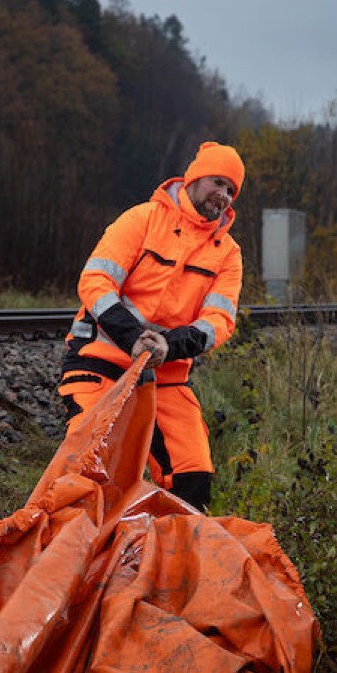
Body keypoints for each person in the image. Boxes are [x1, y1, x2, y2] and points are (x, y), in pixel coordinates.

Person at [58, 140, 245, 511]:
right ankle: (81, 557)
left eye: (231, 190)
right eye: (217, 182)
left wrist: (168, 347)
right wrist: (133, 338)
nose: (223, 195)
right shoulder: (141, 219)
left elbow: (219, 322)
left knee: (194, 475)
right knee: (92, 467)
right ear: (194, 178)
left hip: (167, 376)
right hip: (101, 361)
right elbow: (94, 281)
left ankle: (162, 563)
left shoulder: (228, 253)